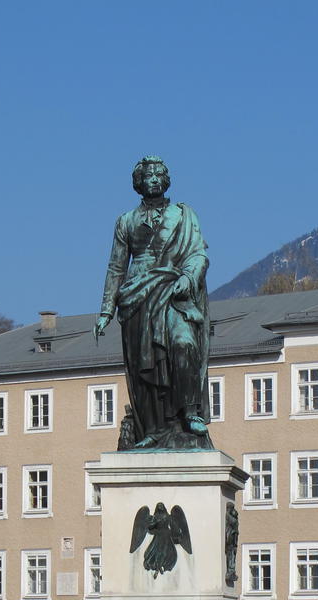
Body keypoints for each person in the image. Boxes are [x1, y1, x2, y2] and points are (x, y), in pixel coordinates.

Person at [95, 155, 212, 450]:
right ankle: (153, 429)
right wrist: (107, 309)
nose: (154, 180)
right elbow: (116, 267)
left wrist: (188, 277)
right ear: (139, 183)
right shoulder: (126, 221)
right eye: (148, 176)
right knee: (142, 366)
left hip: (174, 289)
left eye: (159, 174)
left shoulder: (184, 215)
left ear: (166, 180)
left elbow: (198, 254)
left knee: (183, 343)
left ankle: (189, 412)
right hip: (137, 296)